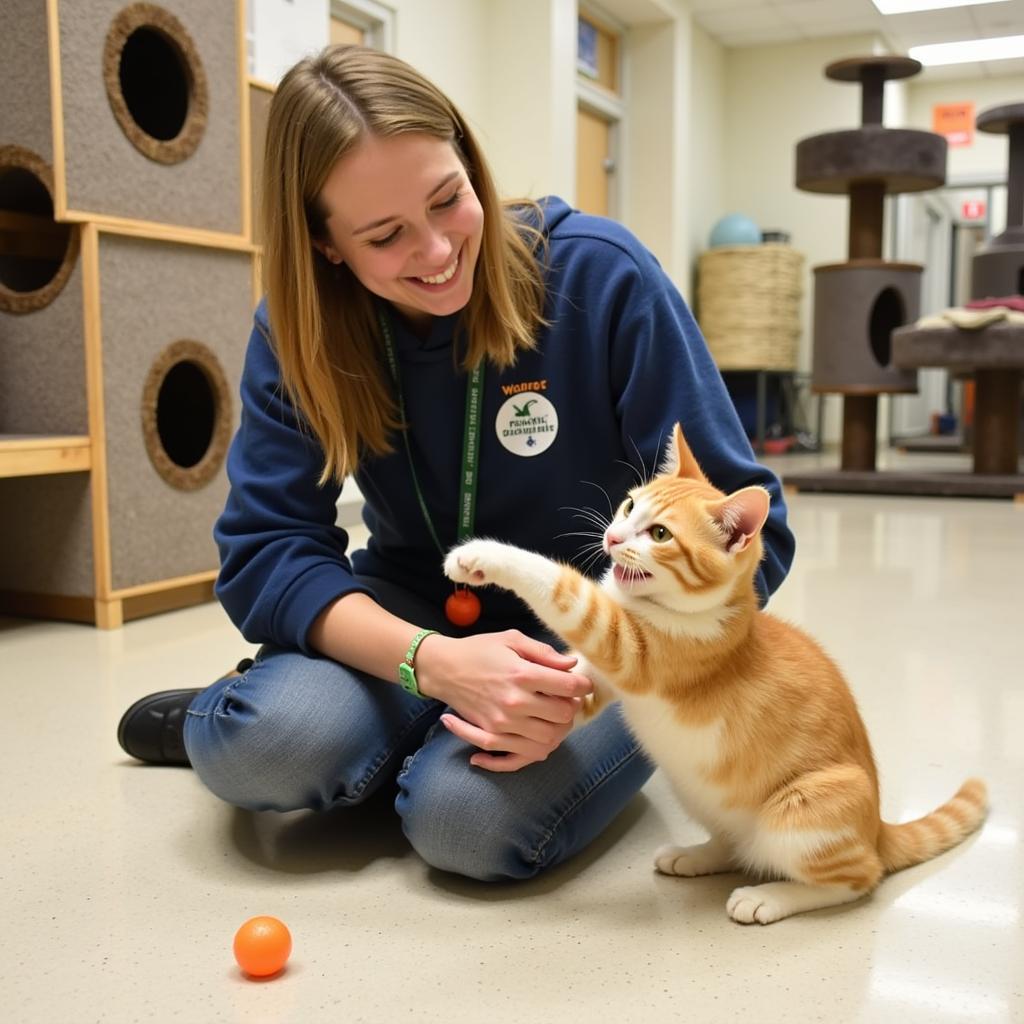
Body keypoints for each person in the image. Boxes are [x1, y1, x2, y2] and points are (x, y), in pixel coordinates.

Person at [117, 44, 795, 882]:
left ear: (471, 166)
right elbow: (266, 551)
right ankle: (293, 721)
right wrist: (429, 663)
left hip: (611, 631)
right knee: (267, 751)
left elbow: (753, 532)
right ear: (326, 245)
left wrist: (589, 684)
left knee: (466, 826)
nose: (437, 251)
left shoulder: (603, 275)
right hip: (416, 611)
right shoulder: (300, 330)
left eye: (448, 200)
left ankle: (372, 745)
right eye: (385, 235)